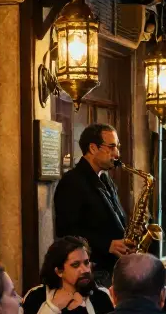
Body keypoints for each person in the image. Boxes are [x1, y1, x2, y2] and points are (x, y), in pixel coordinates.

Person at [53, 123, 133, 286]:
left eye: (117, 147)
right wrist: (107, 244)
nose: (116, 153)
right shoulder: (72, 182)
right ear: (93, 148)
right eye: (111, 147)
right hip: (91, 272)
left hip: (112, 268)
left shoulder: (106, 179)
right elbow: (66, 231)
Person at [22, 236, 114, 314]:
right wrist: (53, 307)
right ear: (59, 271)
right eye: (75, 265)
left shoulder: (101, 297)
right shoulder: (36, 296)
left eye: (86, 263)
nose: (85, 270)